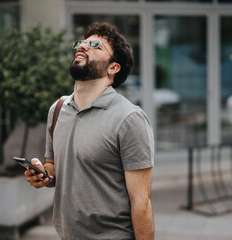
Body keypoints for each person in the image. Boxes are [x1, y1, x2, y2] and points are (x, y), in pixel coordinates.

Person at [25, 22, 154, 240]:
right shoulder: (57, 110)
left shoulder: (129, 119)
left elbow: (140, 203)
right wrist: (43, 176)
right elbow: (54, 167)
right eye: (82, 43)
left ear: (113, 68)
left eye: (95, 45)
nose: (83, 47)